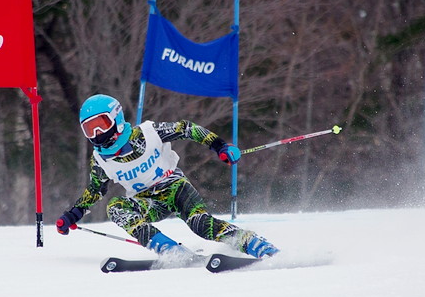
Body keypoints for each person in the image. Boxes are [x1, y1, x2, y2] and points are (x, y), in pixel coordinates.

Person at [56, 93, 278, 262]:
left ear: (116, 117)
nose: (96, 135)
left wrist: (219, 145)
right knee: (116, 207)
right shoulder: (101, 160)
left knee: (201, 225)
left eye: (100, 125)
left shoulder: (148, 133)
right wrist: (71, 216)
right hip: (149, 203)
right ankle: (169, 249)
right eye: (89, 130)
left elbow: (186, 129)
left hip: (175, 188)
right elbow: (95, 191)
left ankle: (255, 244)